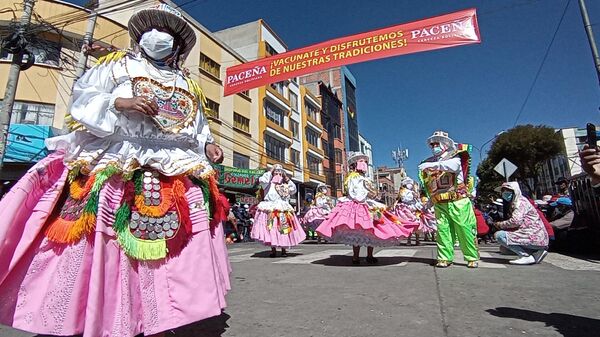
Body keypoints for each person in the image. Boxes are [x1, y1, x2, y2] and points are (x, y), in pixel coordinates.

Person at [0, 4, 230, 337]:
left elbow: (196, 127)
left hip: (173, 166)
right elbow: (84, 97)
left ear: (179, 44)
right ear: (140, 36)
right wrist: (120, 104)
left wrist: (208, 146)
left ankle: (160, 315)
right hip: (118, 159)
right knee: (106, 245)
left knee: (175, 250)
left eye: (168, 31)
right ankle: (103, 313)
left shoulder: (185, 83)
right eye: (153, 28)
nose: (159, 36)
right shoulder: (116, 66)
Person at [317, 152, 418, 264]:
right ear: (354, 165)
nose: (363, 164)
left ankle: (369, 255)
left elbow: (372, 193)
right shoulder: (352, 178)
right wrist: (366, 194)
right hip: (357, 205)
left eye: (364, 162)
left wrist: (372, 194)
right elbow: (355, 194)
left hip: (367, 205)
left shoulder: (365, 179)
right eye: (361, 162)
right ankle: (356, 256)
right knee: (357, 231)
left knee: (372, 231)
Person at [418, 130, 479, 268]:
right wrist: (428, 202)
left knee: (464, 229)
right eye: (432, 145)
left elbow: (453, 166)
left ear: (445, 144)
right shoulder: (429, 162)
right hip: (440, 202)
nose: (434, 147)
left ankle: (471, 257)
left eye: (436, 144)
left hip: (458, 201)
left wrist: (432, 166)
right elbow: (431, 185)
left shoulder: (454, 157)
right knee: (443, 231)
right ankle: (444, 258)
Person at [251, 164, 306, 257]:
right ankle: (273, 250)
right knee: (271, 227)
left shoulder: (284, 184)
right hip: (270, 208)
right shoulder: (268, 183)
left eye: (280, 172)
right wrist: (271, 170)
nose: (278, 173)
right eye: (276, 171)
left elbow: (293, 190)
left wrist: (286, 178)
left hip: (282, 209)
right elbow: (262, 180)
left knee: (283, 228)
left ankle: (284, 249)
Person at [492, 182, 549, 265]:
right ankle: (536, 253)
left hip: (533, 236)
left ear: (515, 191)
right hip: (537, 237)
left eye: (506, 190)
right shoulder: (520, 201)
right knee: (504, 249)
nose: (504, 193)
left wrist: (500, 224)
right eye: (503, 191)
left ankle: (525, 256)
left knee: (499, 236)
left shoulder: (519, 202)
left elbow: (516, 221)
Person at [391, 177, 424, 246]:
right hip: (407, 210)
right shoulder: (403, 191)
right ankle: (409, 240)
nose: (410, 185)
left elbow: (417, 201)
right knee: (409, 225)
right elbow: (404, 199)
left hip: (414, 209)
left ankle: (417, 240)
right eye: (408, 183)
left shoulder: (413, 192)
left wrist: (416, 196)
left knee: (417, 224)